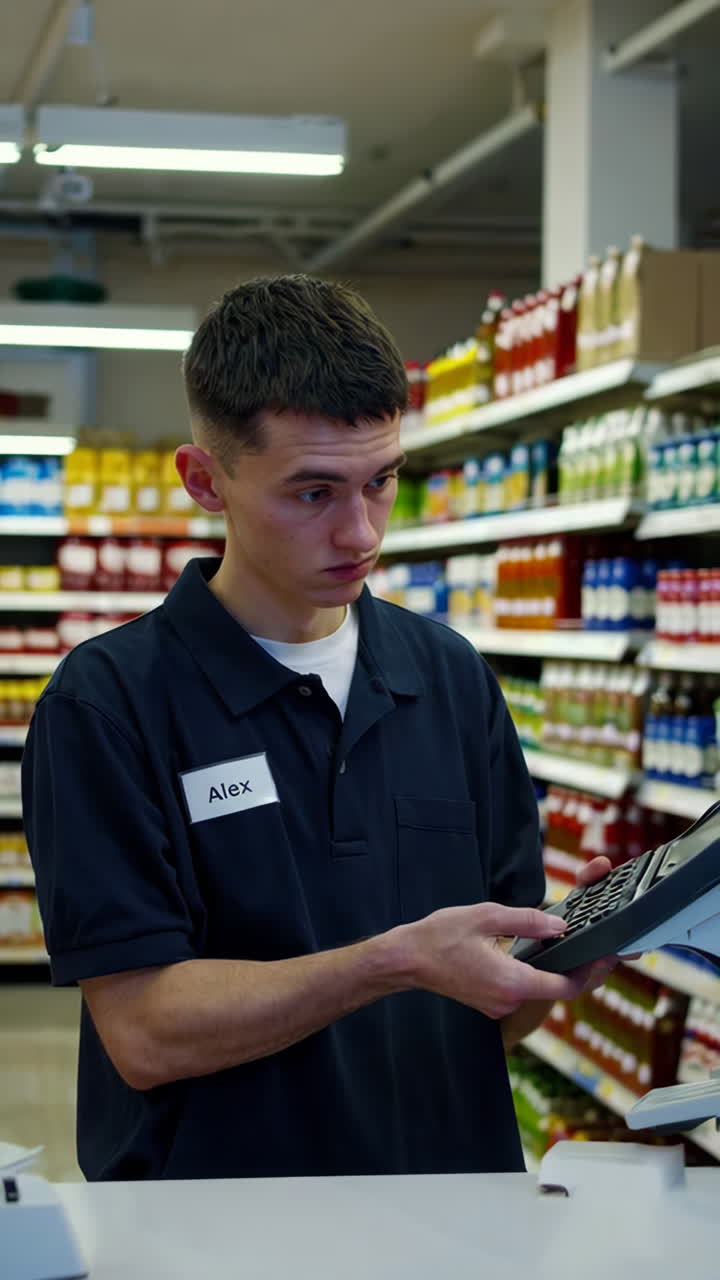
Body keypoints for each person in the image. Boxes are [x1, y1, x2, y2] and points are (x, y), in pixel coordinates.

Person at [23, 275, 613, 1181]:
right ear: (205, 480)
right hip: (214, 1227)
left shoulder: (449, 677)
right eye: (313, 493)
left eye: (382, 482)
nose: (362, 533)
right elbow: (143, 1032)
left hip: (453, 1207)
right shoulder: (107, 703)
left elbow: (491, 1014)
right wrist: (389, 963)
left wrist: (569, 959)